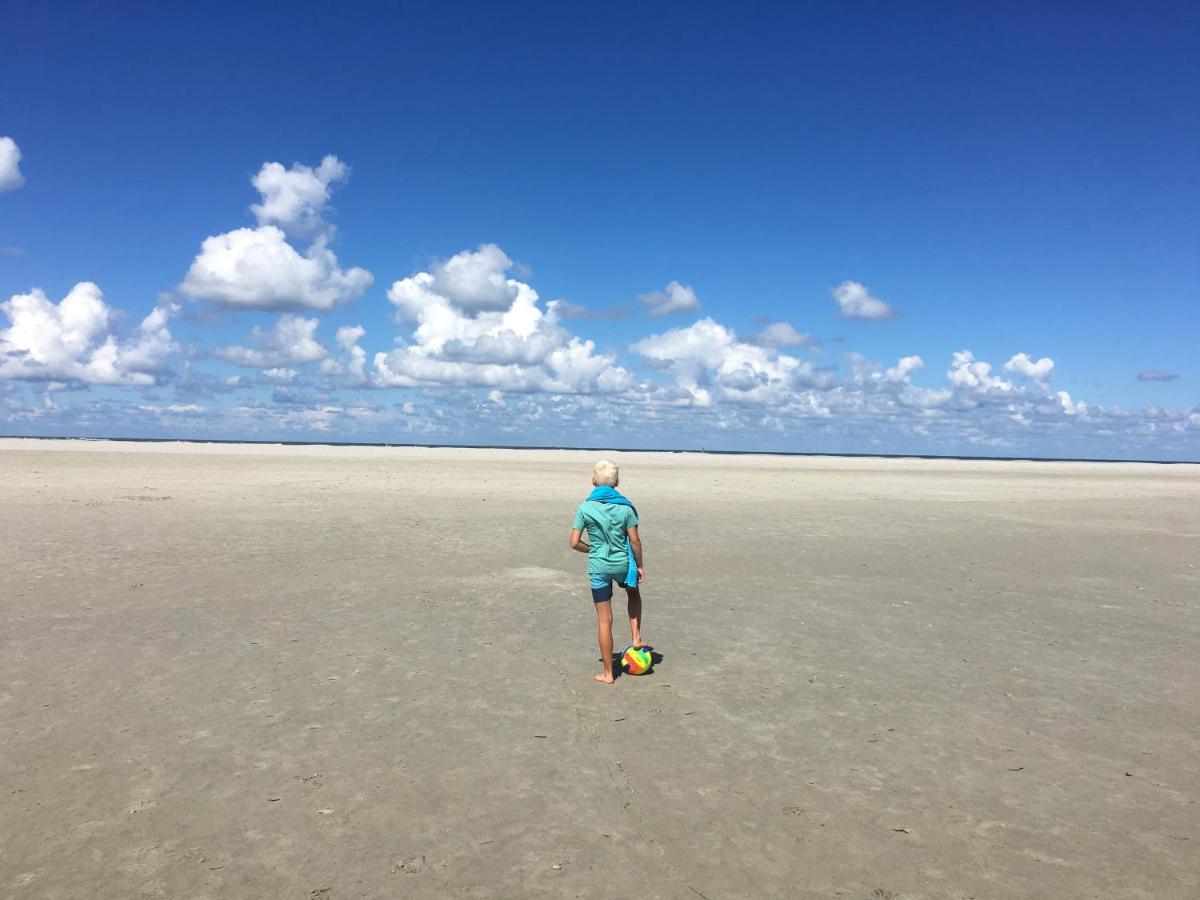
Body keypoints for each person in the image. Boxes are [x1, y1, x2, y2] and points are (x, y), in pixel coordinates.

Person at [569, 459, 645, 684]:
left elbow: (574, 542)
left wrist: (591, 549)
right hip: (623, 565)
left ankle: (609, 674)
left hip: (598, 567)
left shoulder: (584, 508)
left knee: (605, 620)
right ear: (617, 482)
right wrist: (639, 565)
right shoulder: (626, 508)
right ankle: (636, 637)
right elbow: (634, 540)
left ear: (593, 481)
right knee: (633, 594)